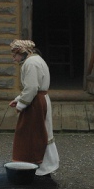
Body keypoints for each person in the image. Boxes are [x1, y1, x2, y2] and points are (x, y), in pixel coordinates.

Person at [9, 39, 59, 176]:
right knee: (41, 133)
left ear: (21, 52)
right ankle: (42, 168)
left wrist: (20, 105)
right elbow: (32, 87)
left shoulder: (30, 63)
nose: (14, 59)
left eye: (15, 55)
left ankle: (40, 169)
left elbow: (32, 88)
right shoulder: (36, 60)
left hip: (35, 103)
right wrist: (18, 99)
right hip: (38, 99)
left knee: (34, 134)